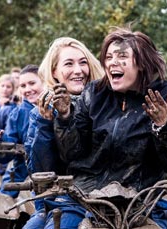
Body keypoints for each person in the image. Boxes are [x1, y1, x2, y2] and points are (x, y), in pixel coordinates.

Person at [49, 27, 167, 228]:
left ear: (142, 63)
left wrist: (164, 126)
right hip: (85, 199)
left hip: (143, 202)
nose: (112, 63)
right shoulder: (94, 93)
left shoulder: (166, 96)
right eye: (108, 57)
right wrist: (65, 117)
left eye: (122, 56)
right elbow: (71, 154)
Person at [23, 37, 104, 229]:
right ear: (54, 73)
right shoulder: (41, 111)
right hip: (61, 200)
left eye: (83, 62)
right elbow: (40, 170)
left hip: (107, 199)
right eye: (69, 64)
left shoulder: (105, 103)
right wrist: (45, 123)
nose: (78, 70)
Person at [0, 64, 44, 198]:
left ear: (45, 81)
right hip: (21, 176)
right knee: (0, 207)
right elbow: (6, 151)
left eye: (32, 83)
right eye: (23, 86)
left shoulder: (60, 109)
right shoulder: (17, 114)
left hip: (56, 179)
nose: (27, 89)